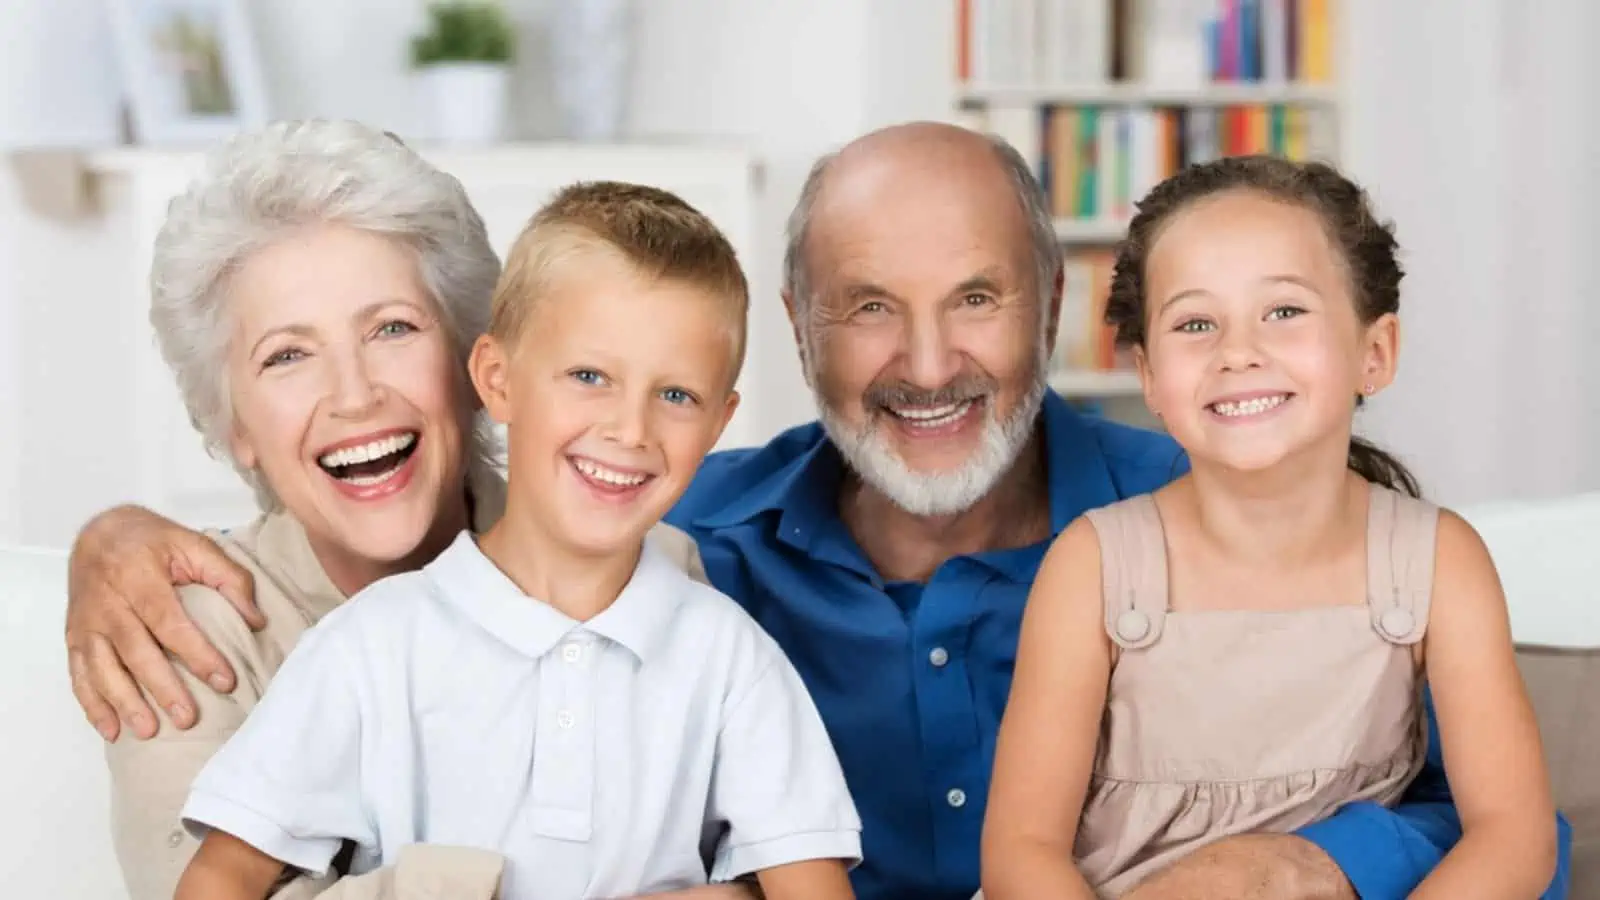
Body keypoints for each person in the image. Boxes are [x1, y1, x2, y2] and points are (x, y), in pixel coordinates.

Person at [61, 122, 1575, 900]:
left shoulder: (1201, 512)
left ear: (1054, 310)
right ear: (794, 331)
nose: (926, 363)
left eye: (978, 298)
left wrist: (1325, 864)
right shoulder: (681, 544)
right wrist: (106, 530)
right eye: (866, 309)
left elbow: (1490, 803)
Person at [92, 119, 742, 900]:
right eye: (287, 355)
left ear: (480, 364)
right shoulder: (178, 630)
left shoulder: (659, 572)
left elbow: (759, 856)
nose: (355, 395)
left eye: (392, 328)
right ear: (236, 428)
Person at [171, 179, 861, 900]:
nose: (630, 430)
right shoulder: (367, 648)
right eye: (589, 376)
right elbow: (222, 877)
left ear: (720, 424)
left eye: (676, 395)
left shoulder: (733, 662)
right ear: (497, 380)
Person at [979, 155, 1559, 899]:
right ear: (1150, 376)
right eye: (1195, 323)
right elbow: (1022, 852)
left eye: (1283, 311)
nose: (1238, 351)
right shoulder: (1094, 565)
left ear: (1374, 353)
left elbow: (1514, 835)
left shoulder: (1439, 561)